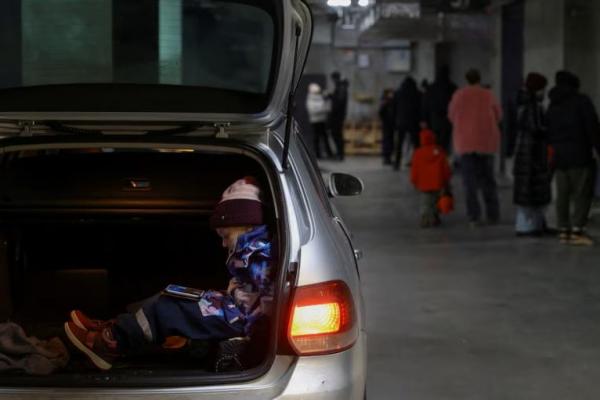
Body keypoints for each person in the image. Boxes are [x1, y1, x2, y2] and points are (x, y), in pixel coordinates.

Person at [64, 177, 274, 370]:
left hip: (239, 320)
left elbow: (266, 304)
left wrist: (250, 337)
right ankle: (117, 325)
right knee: (171, 295)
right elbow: (248, 290)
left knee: (168, 308)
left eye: (226, 235)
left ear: (244, 226)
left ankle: (110, 343)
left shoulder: (260, 252)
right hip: (234, 309)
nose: (223, 243)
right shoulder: (252, 248)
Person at [546, 70, 600, 245]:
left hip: (559, 158)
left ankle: (563, 230)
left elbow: (548, 131)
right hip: (579, 155)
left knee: (562, 194)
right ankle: (577, 230)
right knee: (582, 194)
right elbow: (592, 128)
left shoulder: (553, 104)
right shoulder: (582, 101)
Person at [448, 68, 502, 226]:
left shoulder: (459, 95)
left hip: (465, 143)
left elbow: (451, 116)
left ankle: (474, 216)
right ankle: (493, 215)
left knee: (469, 183)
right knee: (488, 181)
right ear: (479, 79)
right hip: (486, 143)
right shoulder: (488, 94)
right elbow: (499, 115)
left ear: (466, 79)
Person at [512, 72, 553, 237]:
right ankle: (528, 227)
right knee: (531, 191)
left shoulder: (524, 104)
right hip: (532, 154)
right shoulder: (532, 107)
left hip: (526, 152)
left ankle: (533, 225)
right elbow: (537, 129)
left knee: (528, 191)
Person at [410, 128, 452, 228]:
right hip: (438, 183)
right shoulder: (440, 151)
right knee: (436, 200)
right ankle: (434, 217)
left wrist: (414, 181)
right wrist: (447, 180)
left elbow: (414, 170)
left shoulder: (417, 153)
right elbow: (445, 168)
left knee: (425, 202)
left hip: (423, 184)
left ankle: (425, 218)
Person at [422, 65, 457, 154]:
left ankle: (436, 161)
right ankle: (443, 161)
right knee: (445, 143)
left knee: (435, 143)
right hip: (447, 120)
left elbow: (426, 105)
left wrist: (425, 119)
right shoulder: (453, 88)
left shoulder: (431, 88)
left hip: (434, 120)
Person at [393, 76, 422, 170]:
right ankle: (418, 164)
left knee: (399, 144)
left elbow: (394, 108)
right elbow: (421, 108)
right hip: (414, 122)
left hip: (401, 122)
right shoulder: (417, 93)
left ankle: (397, 164)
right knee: (417, 144)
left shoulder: (398, 93)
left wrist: (395, 121)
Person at [306, 83, 333, 159]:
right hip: (315, 121)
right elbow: (313, 110)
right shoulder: (310, 99)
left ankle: (329, 153)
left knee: (325, 137)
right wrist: (323, 109)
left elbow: (327, 108)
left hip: (322, 120)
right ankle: (318, 154)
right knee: (316, 138)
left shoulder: (321, 98)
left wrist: (324, 107)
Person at [328, 72, 349, 161]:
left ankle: (340, 154)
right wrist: (331, 96)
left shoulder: (341, 87)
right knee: (337, 134)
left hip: (337, 116)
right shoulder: (340, 87)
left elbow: (339, 102)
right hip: (338, 115)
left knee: (337, 135)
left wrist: (332, 112)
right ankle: (340, 153)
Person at [379, 89, 396, 165]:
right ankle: (386, 158)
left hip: (390, 125)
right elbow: (381, 113)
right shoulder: (385, 102)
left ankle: (388, 158)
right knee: (387, 141)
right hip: (387, 125)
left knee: (390, 141)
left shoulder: (391, 102)